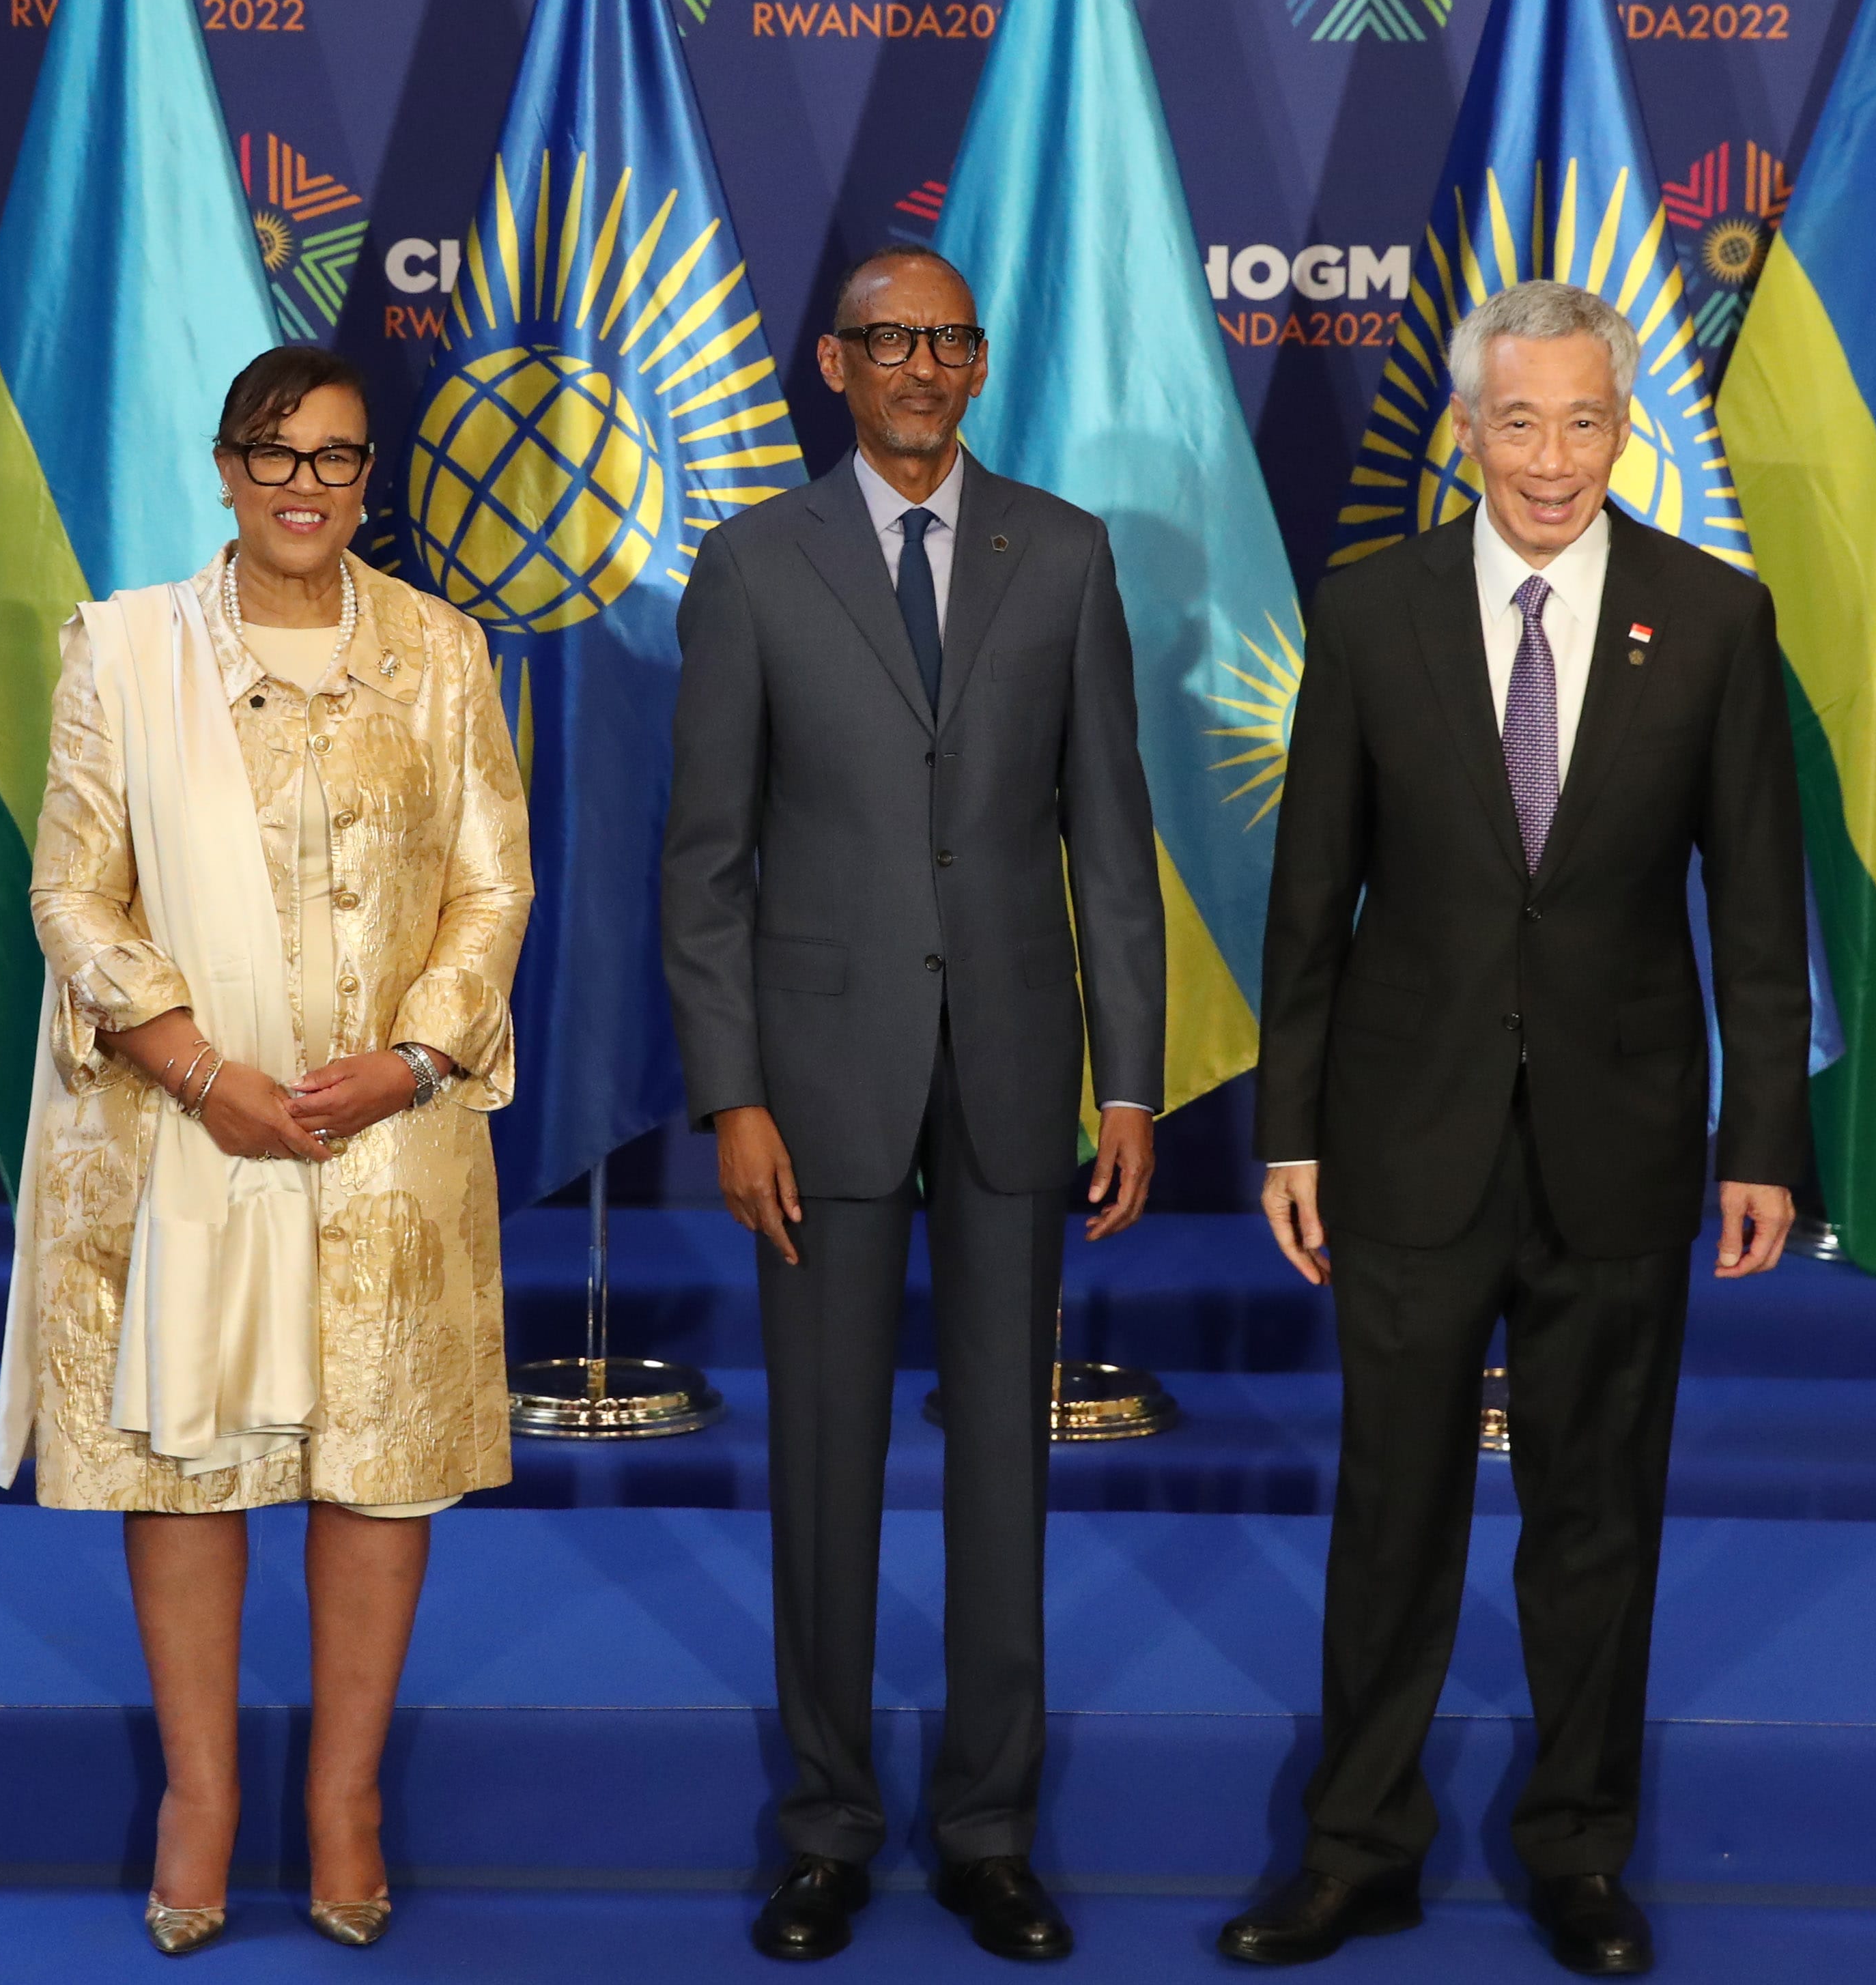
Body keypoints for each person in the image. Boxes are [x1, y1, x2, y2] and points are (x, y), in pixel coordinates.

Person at [1220, 281, 1810, 1976]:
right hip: (1403, 1136)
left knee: (1595, 1514)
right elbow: (1306, 898)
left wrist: (1758, 1137)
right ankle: (1355, 1847)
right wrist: (1290, 1131)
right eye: (1518, 421)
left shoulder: (1711, 617)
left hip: (1621, 1141)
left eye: (1582, 421)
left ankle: (1576, 1849)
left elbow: (1757, 907)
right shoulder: (1368, 612)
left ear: (1621, 430)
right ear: (1463, 429)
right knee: (1390, 1507)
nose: (1551, 460)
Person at [0, 342, 534, 1957]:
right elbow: (70, 892)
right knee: (192, 1449)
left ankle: (345, 1802)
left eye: (339, 458)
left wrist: (418, 1056)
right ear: (224, 468)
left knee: (376, 1453)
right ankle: (202, 1798)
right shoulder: (124, 647)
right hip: (186, 1125)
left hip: (389, 1124)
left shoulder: (443, 651)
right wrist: (192, 1061)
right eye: (274, 455)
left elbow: (492, 885)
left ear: (374, 480)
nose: (306, 485)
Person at [663, 248, 1165, 1965]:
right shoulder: (747, 565)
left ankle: (986, 1830)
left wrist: (1133, 1077)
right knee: (822, 1465)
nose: (921, 367)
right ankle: (823, 1828)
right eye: (890, 341)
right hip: (815, 1089)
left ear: (974, 360)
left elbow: (1110, 840)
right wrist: (729, 1090)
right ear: (835, 363)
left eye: (949, 339)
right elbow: (705, 865)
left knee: (1002, 1478)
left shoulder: (1067, 550)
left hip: (1023, 1074)